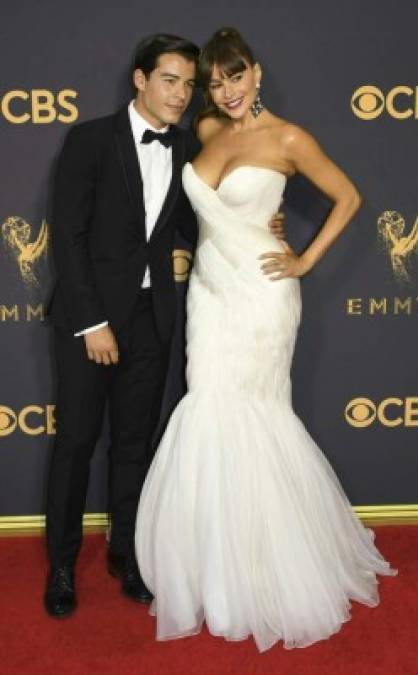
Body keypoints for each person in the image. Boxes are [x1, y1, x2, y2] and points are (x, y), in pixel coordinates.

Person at [135, 27, 396, 652]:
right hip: (209, 292)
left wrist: (303, 260)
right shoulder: (203, 131)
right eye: (215, 81)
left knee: (253, 414)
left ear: (257, 73)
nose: (225, 90)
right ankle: (213, 571)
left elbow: (349, 196)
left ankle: (266, 571)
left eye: (235, 76)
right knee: (208, 408)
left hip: (261, 292)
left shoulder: (289, 138)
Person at [44, 32, 284, 619]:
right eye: (170, 81)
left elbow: (190, 224)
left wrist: (258, 226)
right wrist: (93, 322)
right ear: (140, 79)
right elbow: (68, 239)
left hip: (153, 321)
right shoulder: (90, 139)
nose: (181, 96)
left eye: (188, 85)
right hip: (91, 324)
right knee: (77, 445)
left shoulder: (186, 148)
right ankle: (61, 568)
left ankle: (127, 556)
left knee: (134, 447)